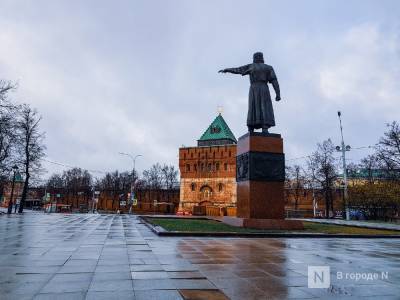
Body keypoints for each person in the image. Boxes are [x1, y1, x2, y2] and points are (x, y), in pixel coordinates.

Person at [219, 52, 281, 133]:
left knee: (253, 106)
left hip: (254, 88)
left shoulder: (252, 66)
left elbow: (238, 70)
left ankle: (251, 127)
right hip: (263, 89)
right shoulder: (268, 68)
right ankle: (264, 127)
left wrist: (227, 70)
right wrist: (278, 94)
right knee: (263, 107)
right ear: (262, 58)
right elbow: (274, 81)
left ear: (254, 58)